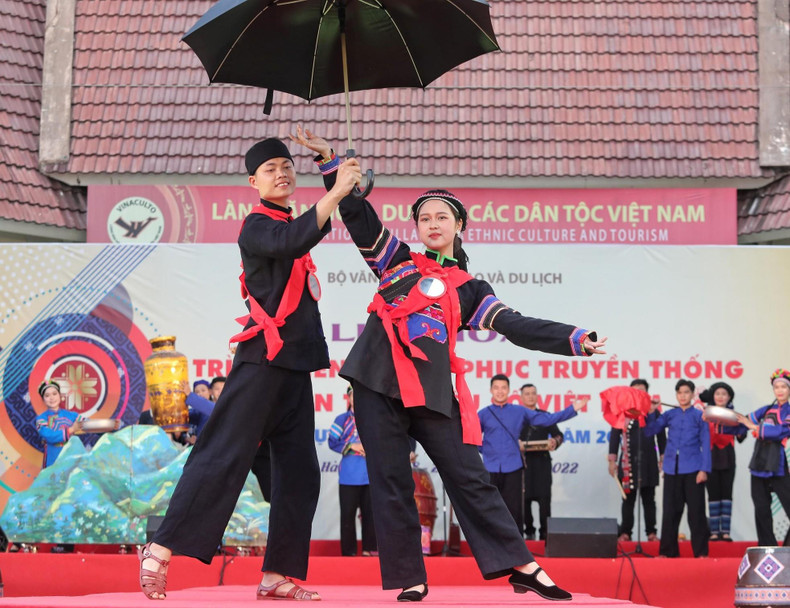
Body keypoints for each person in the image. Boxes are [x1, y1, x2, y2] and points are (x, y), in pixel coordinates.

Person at [293, 127, 606, 602]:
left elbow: (516, 325)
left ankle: (523, 566)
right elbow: (355, 213)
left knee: (470, 477)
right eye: (424, 218)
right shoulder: (396, 262)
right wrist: (332, 163)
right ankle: (411, 578)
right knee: (392, 481)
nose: (432, 224)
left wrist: (574, 339)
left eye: (442, 217)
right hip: (376, 383)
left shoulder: (471, 289)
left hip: (431, 392)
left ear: (459, 225)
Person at [136, 136, 361, 601]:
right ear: (253, 182)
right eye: (271, 168)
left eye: (287, 166)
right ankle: (159, 548)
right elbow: (293, 239)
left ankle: (277, 574)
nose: (282, 173)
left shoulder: (290, 222)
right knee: (222, 455)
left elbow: (309, 227)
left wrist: (329, 162)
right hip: (262, 362)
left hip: (294, 366)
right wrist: (337, 189)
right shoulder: (256, 225)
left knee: (299, 473)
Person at [478, 376, 582, 538]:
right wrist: (486, 450)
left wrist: (572, 409)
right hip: (490, 467)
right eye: (496, 388)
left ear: (509, 390)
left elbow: (547, 419)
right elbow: (472, 437)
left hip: (513, 467)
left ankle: (517, 544)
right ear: (491, 390)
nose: (500, 391)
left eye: (503, 388)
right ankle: (490, 542)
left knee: (515, 510)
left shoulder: (519, 411)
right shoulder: (483, 414)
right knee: (490, 508)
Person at [643, 379, 710, 558]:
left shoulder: (699, 415)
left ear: (692, 394)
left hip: (694, 469)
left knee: (696, 513)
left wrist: (704, 469)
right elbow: (650, 431)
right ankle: (668, 552)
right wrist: (651, 412)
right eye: (679, 393)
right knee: (670, 512)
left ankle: (701, 553)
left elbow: (705, 443)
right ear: (676, 395)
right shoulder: (669, 414)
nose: (683, 396)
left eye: (686, 392)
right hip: (672, 469)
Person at [736, 369, 790, 547]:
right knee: (761, 509)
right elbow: (742, 422)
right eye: (777, 387)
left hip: (778, 464)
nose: (780, 390)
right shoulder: (766, 409)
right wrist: (718, 419)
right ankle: (767, 547)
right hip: (759, 463)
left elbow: (782, 431)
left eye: (783, 387)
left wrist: (754, 427)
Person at [607, 378, 665, 543]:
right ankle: (626, 532)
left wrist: (663, 458)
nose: (639, 393)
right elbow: (614, 437)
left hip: (649, 462)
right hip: (628, 463)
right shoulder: (622, 413)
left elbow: (661, 437)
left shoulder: (653, 412)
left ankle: (651, 533)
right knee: (628, 501)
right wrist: (612, 461)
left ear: (647, 393)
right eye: (635, 390)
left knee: (649, 500)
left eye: (642, 390)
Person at [328, 385, 377, 556]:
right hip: (348, 476)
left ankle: (369, 550)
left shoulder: (373, 419)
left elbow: (382, 440)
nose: (355, 398)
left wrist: (369, 447)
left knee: (371, 515)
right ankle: (348, 553)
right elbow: (332, 441)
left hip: (370, 474)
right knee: (348, 516)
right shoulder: (342, 420)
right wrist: (352, 446)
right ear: (348, 398)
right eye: (352, 395)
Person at [518, 383, 567, 541]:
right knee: (523, 499)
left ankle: (546, 533)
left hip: (542, 463)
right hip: (522, 463)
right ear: (521, 397)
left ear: (537, 396)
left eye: (533, 393)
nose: (531, 396)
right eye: (527, 394)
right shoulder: (517, 416)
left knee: (544, 498)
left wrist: (554, 441)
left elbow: (559, 435)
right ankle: (528, 532)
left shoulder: (545, 416)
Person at [699, 381, 746, 541]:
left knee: (727, 494)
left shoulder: (734, 415)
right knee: (713, 495)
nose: (720, 397)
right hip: (710, 457)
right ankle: (714, 532)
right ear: (713, 396)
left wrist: (741, 427)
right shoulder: (706, 414)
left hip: (728, 457)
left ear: (729, 397)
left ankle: (725, 532)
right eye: (717, 394)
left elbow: (741, 437)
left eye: (724, 394)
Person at [34, 380, 83, 468]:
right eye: (47, 395)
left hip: (71, 458)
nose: (52, 398)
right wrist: (71, 429)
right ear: (43, 400)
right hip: (53, 459)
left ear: (60, 395)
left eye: (54, 394)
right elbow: (49, 436)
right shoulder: (41, 419)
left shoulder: (71, 415)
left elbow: (89, 424)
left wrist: (108, 427)